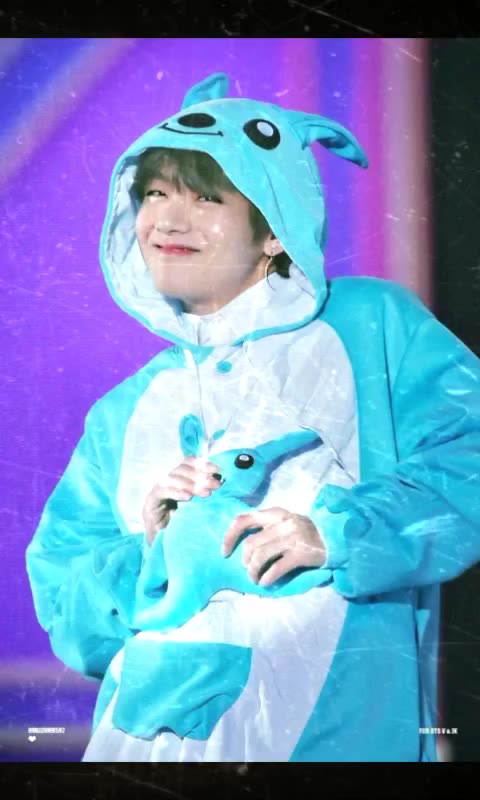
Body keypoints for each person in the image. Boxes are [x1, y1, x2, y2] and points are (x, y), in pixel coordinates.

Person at [25, 71, 480, 763]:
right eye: (155, 193)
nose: (167, 220)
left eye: (206, 198)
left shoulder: (370, 326)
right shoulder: (123, 411)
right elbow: (70, 611)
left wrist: (340, 533)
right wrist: (152, 551)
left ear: (273, 229)